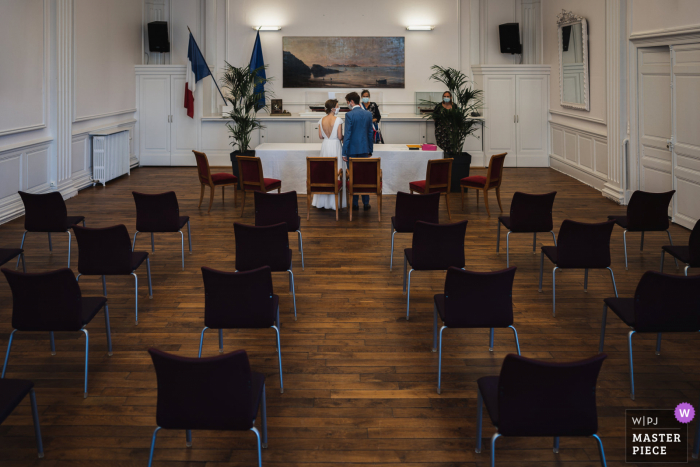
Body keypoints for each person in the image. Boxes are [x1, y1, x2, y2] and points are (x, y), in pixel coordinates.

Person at [342, 91, 374, 211]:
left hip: (351, 151)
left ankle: (355, 204)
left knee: (353, 177)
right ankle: (366, 203)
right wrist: (370, 150)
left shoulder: (349, 115)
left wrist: (344, 152)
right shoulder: (368, 114)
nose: (348, 104)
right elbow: (370, 134)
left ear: (351, 102)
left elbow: (348, 135)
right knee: (364, 176)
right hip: (364, 149)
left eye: (348, 102)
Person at [311, 99, 343, 211]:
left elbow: (320, 136)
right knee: (337, 170)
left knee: (325, 171)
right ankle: (335, 202)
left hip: (325, 146)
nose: (339, 108)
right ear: (333, 108)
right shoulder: (338, 120)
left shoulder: (321, 120)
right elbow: (339, 136)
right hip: (335, 145)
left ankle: (322, 201)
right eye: (338, 106)